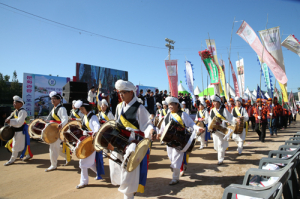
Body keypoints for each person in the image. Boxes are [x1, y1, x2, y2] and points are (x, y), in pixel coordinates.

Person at [110, 79, 155, 199]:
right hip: (119, 141)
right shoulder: (119, 107)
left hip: (132, 142)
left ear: (131, 92)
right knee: (116, 164)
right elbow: (116, 122)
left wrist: (151, 130)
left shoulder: (139, 108)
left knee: (129, 170)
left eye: (123, 92)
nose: (121, 95)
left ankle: (128, 195)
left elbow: (146, 124)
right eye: (119, 92)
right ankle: (126, 189)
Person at [157, 97, 203, 185]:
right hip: (169, 141)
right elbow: (163, 126)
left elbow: (191, 124)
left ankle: (175, 178)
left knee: (175, 159)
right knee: (171, 157)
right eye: (169, 104)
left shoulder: (183, 114)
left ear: (177, 104)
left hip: (179, 140)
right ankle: (180, 166)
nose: (170, 106)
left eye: (171, 104)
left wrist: (198, 128)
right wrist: (160, 133)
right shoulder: (167, 115)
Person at [74, 99, 104, 189]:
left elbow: (97, 127)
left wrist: (94, 134)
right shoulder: (86, 116)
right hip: (86, 140)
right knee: (89, 163)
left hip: (91, 141)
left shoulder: (92, 116)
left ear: (86, 107)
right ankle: (98, 173)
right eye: (80, 109)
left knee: (82, 162)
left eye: (82, 109)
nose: (81, 111)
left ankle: (84, 182)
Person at [206, 95, 237, 165]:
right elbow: (210, 119)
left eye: (215, 102)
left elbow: (230, 117)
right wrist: (209, 127)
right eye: (213, 102)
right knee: (216, 145)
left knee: (220, 144)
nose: (214, 103)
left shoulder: (224, 110)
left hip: (222, 130)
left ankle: (220, 159)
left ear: (219, 102)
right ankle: (221, 154)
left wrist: (236, 119)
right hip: (215, 131)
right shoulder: (212, 110)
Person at [4, 96, 33, 166]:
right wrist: (7, 120)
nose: (14, 104)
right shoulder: (15, 111)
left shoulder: (22, 111)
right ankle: (28, 155)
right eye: (13, 102)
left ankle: (12, 159)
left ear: (20, 104)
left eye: (16, 102)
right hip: (15, 131)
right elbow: (10, 117)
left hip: (21, 131)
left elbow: (20, 122)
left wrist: (10, 121)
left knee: (16, 145)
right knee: (23, 144)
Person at [45, 91, 70, 172]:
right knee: (55, 147)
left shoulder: (62, 108)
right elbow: (49, 119)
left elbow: (65, 119)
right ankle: (66, 156)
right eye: (52, 99)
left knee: (53, 148)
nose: (53, 100)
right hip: (52, 131)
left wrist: (61, 125)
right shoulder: (53, 109)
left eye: (55, 99)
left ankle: (53, 165)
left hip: (58, 131)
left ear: (59, 100)